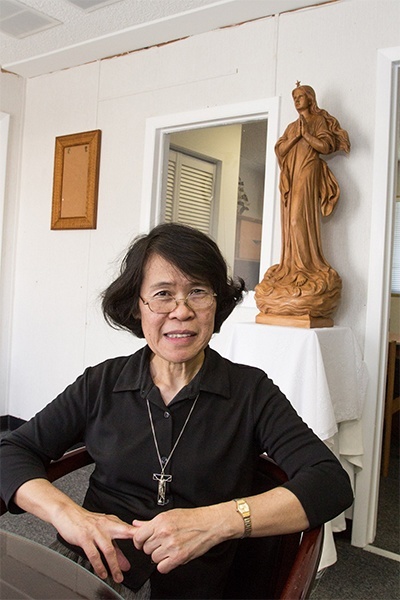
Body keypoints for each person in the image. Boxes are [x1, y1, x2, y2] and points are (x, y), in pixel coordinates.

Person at [0, 222, 353, 599]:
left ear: (217, 303)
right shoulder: (102, 383)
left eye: (197, 292)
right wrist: (67, 515)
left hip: (196, 583)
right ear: (138, 306)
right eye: (163, 294)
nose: (181, 311)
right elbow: (12, 451)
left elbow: (328, 481)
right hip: (90, 568)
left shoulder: (251, 391)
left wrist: (217, 522)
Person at [255, 84, 350, 320]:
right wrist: (296, 135)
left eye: (300, 97)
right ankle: (292, 267)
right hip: (292, 173)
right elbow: (281, 150)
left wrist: (306, 135)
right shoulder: (291, 127)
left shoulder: (318, 121)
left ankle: (308, 268)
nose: (297, 101)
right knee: (288, 223)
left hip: (309, 170)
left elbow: (326, 146)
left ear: (310, 98)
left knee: (298, 219)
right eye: (294, 98)